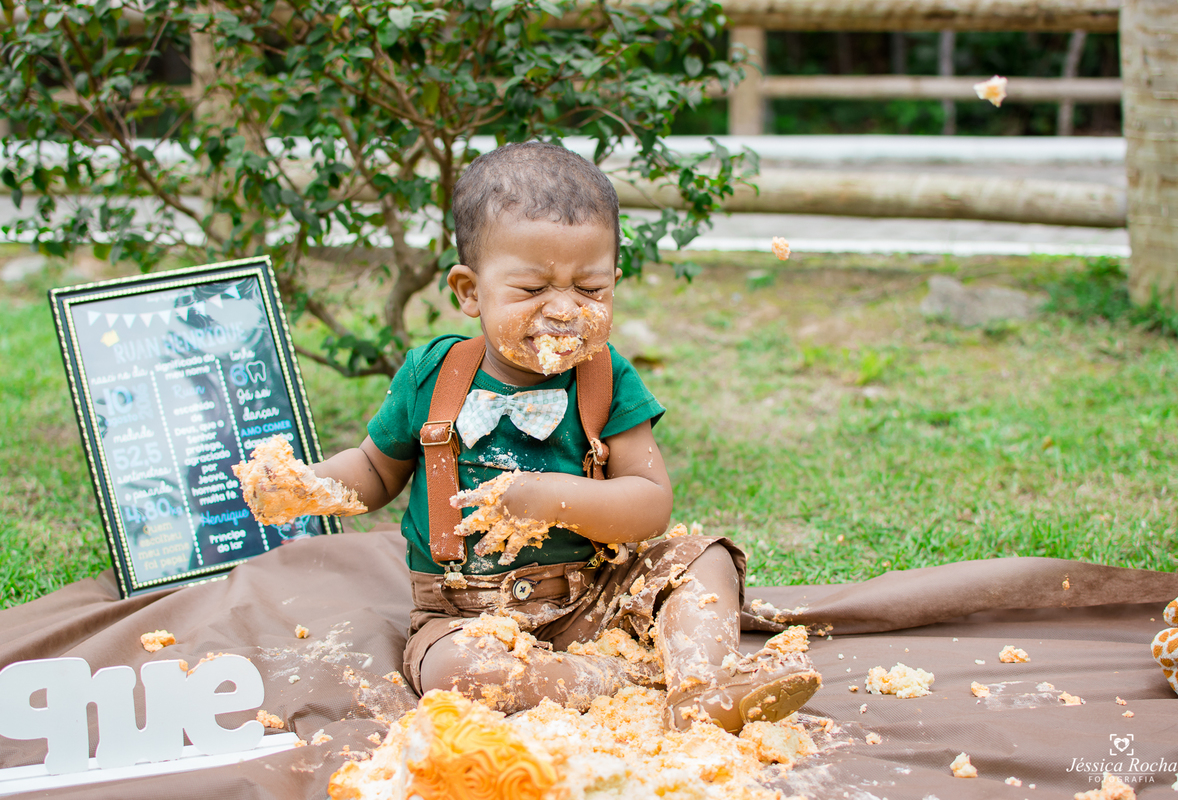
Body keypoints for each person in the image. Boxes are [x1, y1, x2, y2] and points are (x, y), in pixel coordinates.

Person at [255, 141, 819, 731]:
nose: (564, 311)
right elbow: (374, 472)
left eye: (591, 289)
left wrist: (551, 497)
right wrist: (306, 485)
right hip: (466, 614)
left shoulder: (606, 377)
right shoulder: (433, 376)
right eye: (531, 291)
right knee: (454, 673)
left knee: (702, 559)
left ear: (614, 283)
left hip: (597, 597)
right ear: (470, 291)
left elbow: (650, 504)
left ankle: (704, 683)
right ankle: (633, 679)